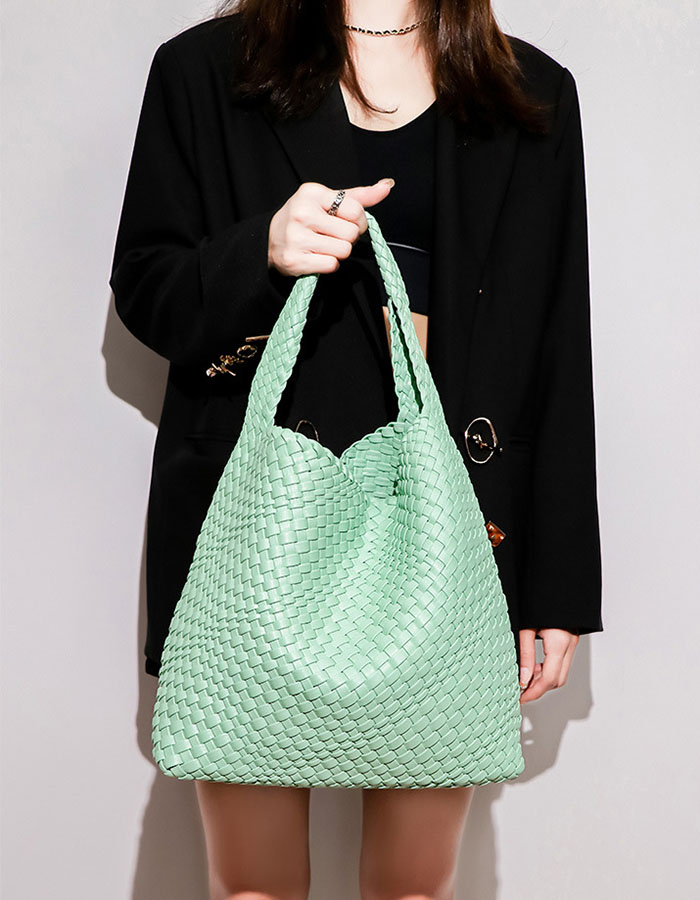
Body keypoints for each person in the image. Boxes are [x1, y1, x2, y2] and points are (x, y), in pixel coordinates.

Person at [109, 2, 604, 897]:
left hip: (450, 526)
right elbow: (148, 289)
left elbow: (556, 343)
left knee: (413, 890)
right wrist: (263, 249)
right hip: (257, 529)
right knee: (254, 888)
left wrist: (556, 585)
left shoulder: (528, 92)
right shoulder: (208, 70)